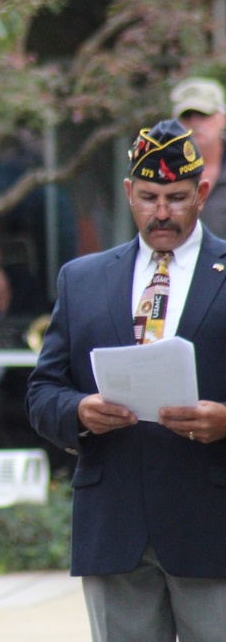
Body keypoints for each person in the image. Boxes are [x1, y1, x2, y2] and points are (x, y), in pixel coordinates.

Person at [26, 119, 226, 642]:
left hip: (212, 524)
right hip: (115, 527)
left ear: (202, 193)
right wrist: (79, 413)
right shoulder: (83, 279)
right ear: (128, 193)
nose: (162, 212)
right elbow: (43, 392)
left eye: (177, 197)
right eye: (149, 197)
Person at [171, 77, 226, 238]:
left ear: (223, 118)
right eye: (187, 116)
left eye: (203, 114)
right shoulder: (161, 171)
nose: (195, 122)